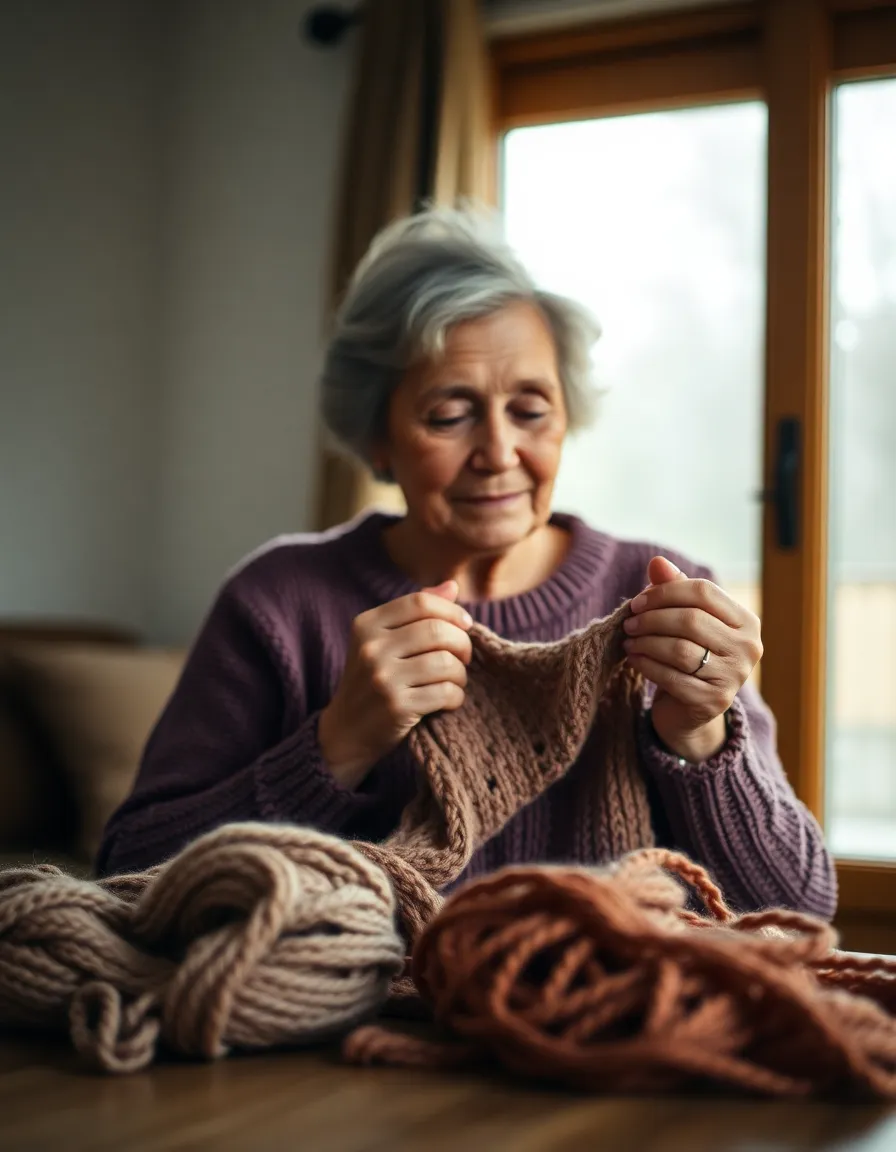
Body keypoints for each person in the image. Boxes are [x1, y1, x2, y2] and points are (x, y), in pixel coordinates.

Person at [97, 209, 836, 920]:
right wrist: (336, 746)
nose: (499, 452)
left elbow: (800, 904)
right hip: (356, 1037)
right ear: (377, 438)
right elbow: (126, 874)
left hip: (615, 1028)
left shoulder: (657, 596)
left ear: (567, 415)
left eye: (531, 409)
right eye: (449, 414)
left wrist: (701, 738)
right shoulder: (282, 602)